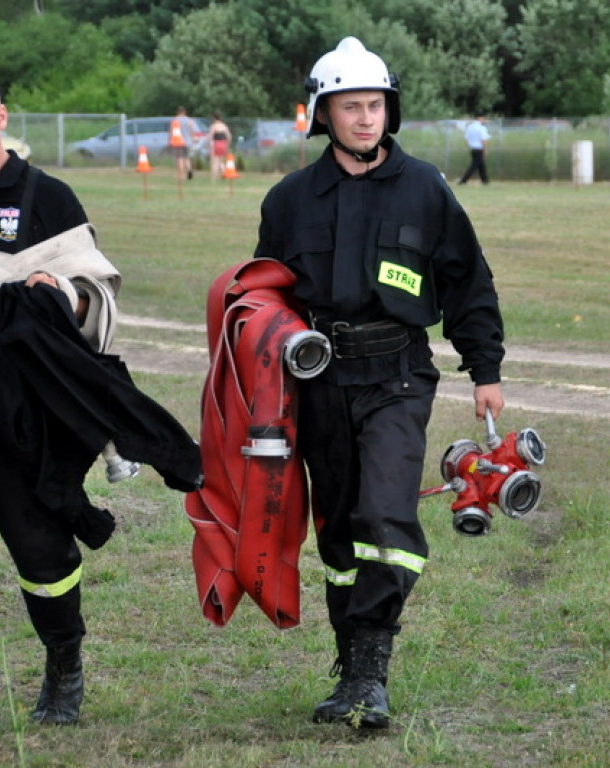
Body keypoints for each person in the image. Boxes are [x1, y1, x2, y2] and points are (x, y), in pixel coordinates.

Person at [0, 62, 201, 752]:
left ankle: (64, 661)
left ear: (0, 117)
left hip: (25, 410)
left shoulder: (49, 198)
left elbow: (95, 295)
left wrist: (62, 294)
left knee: (41, 550)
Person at [252, 36, 505, 729]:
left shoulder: (426, 189)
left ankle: (371, 670)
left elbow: (467, 281)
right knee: (337, 529)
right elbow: (262, 302)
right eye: (350, 107)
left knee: (386, 515)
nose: (365, 118)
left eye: (375, 105)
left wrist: (485, 369)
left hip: (398, 374)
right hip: (318, 382)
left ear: (390, 110)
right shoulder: (289, 201)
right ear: (322, 114)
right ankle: (348, 665)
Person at [458, 112, 490, 184]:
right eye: (485, 119)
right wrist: (485, 149)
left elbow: (466, 138)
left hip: (473, 149)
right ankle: (463, 180)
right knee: (474, 166)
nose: (486, 121)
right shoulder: (482, 128)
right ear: (480, 118)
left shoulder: (470, 127)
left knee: (481, 165)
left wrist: (471, 144)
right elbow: (483, 140)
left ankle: (485, 180)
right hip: (479, 149)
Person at [168, 106, 198, 181]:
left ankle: (181, 176)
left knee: (180, 158)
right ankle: (189, 169)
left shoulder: (175, 120)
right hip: (188, 142)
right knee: (187, 157)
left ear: (177, 112)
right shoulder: (190, 120)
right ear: (185, 112)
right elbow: (192, 131)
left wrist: (169, 141)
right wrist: (193, 139)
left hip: (179, 141)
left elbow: (171, 132)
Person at [208, 112, 232, 182]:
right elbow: (229, 136)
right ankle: (225, 173)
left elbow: (210, 137)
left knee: (215, 161)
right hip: (223, 143)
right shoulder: (224, 126)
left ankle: (214, 178)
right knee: (221, 161)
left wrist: (209, 146)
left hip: (216, 143)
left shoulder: (214, 126)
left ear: (214, 118)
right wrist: (227, 144)